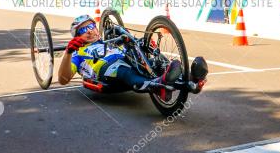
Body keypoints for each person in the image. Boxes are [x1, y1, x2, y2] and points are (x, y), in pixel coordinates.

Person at [57, 14, 187, 101]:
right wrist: (68, 53)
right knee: (123, 69)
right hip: (106, 69)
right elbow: (63, 79)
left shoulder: (109, 40)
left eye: (91, 26)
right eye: (83, 30)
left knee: (155, 63)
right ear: (76, 36)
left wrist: (142, 44)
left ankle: (190, 80)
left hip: (126, 59)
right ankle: (157, 86)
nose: (89, 31)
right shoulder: (76, 52)